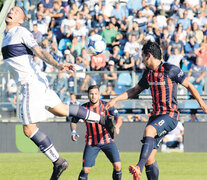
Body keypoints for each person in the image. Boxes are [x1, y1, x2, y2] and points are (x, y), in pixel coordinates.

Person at [1, 6, 115, 180]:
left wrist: (57, 65)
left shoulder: (20, 31)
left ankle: (58, 161)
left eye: (17, 11)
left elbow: (39, 50)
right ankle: (103, 119)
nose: (12, 12)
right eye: (12, 10)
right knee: (61, 109)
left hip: (31, 84)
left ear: (21, 20)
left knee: (29, 129)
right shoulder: (5, 36)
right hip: (38, 81)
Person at [105, 40, 207, 180]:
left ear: (149, 55)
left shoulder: (171, 69)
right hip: (155, 116)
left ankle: (138, 168)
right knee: (149, 159)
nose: (141, 60)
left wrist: (202, 103)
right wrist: (115, 100)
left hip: (170, 115)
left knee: (149, 131)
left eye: (143, 56)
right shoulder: (148, 73)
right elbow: (135, 90)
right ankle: (143, 167)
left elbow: (189, 85)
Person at [71, 85, 122, 180]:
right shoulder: (83, 108)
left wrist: (117, 127)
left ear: (99, 95)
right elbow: (74, 121)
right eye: (91, 94)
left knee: (118, 166)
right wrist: (73, 131)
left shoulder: (106, 106)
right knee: (86, 170)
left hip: (107, 140)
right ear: (88, 95)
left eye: (95, 94)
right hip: (92, 142)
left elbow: (118, 118)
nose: (93, 96)